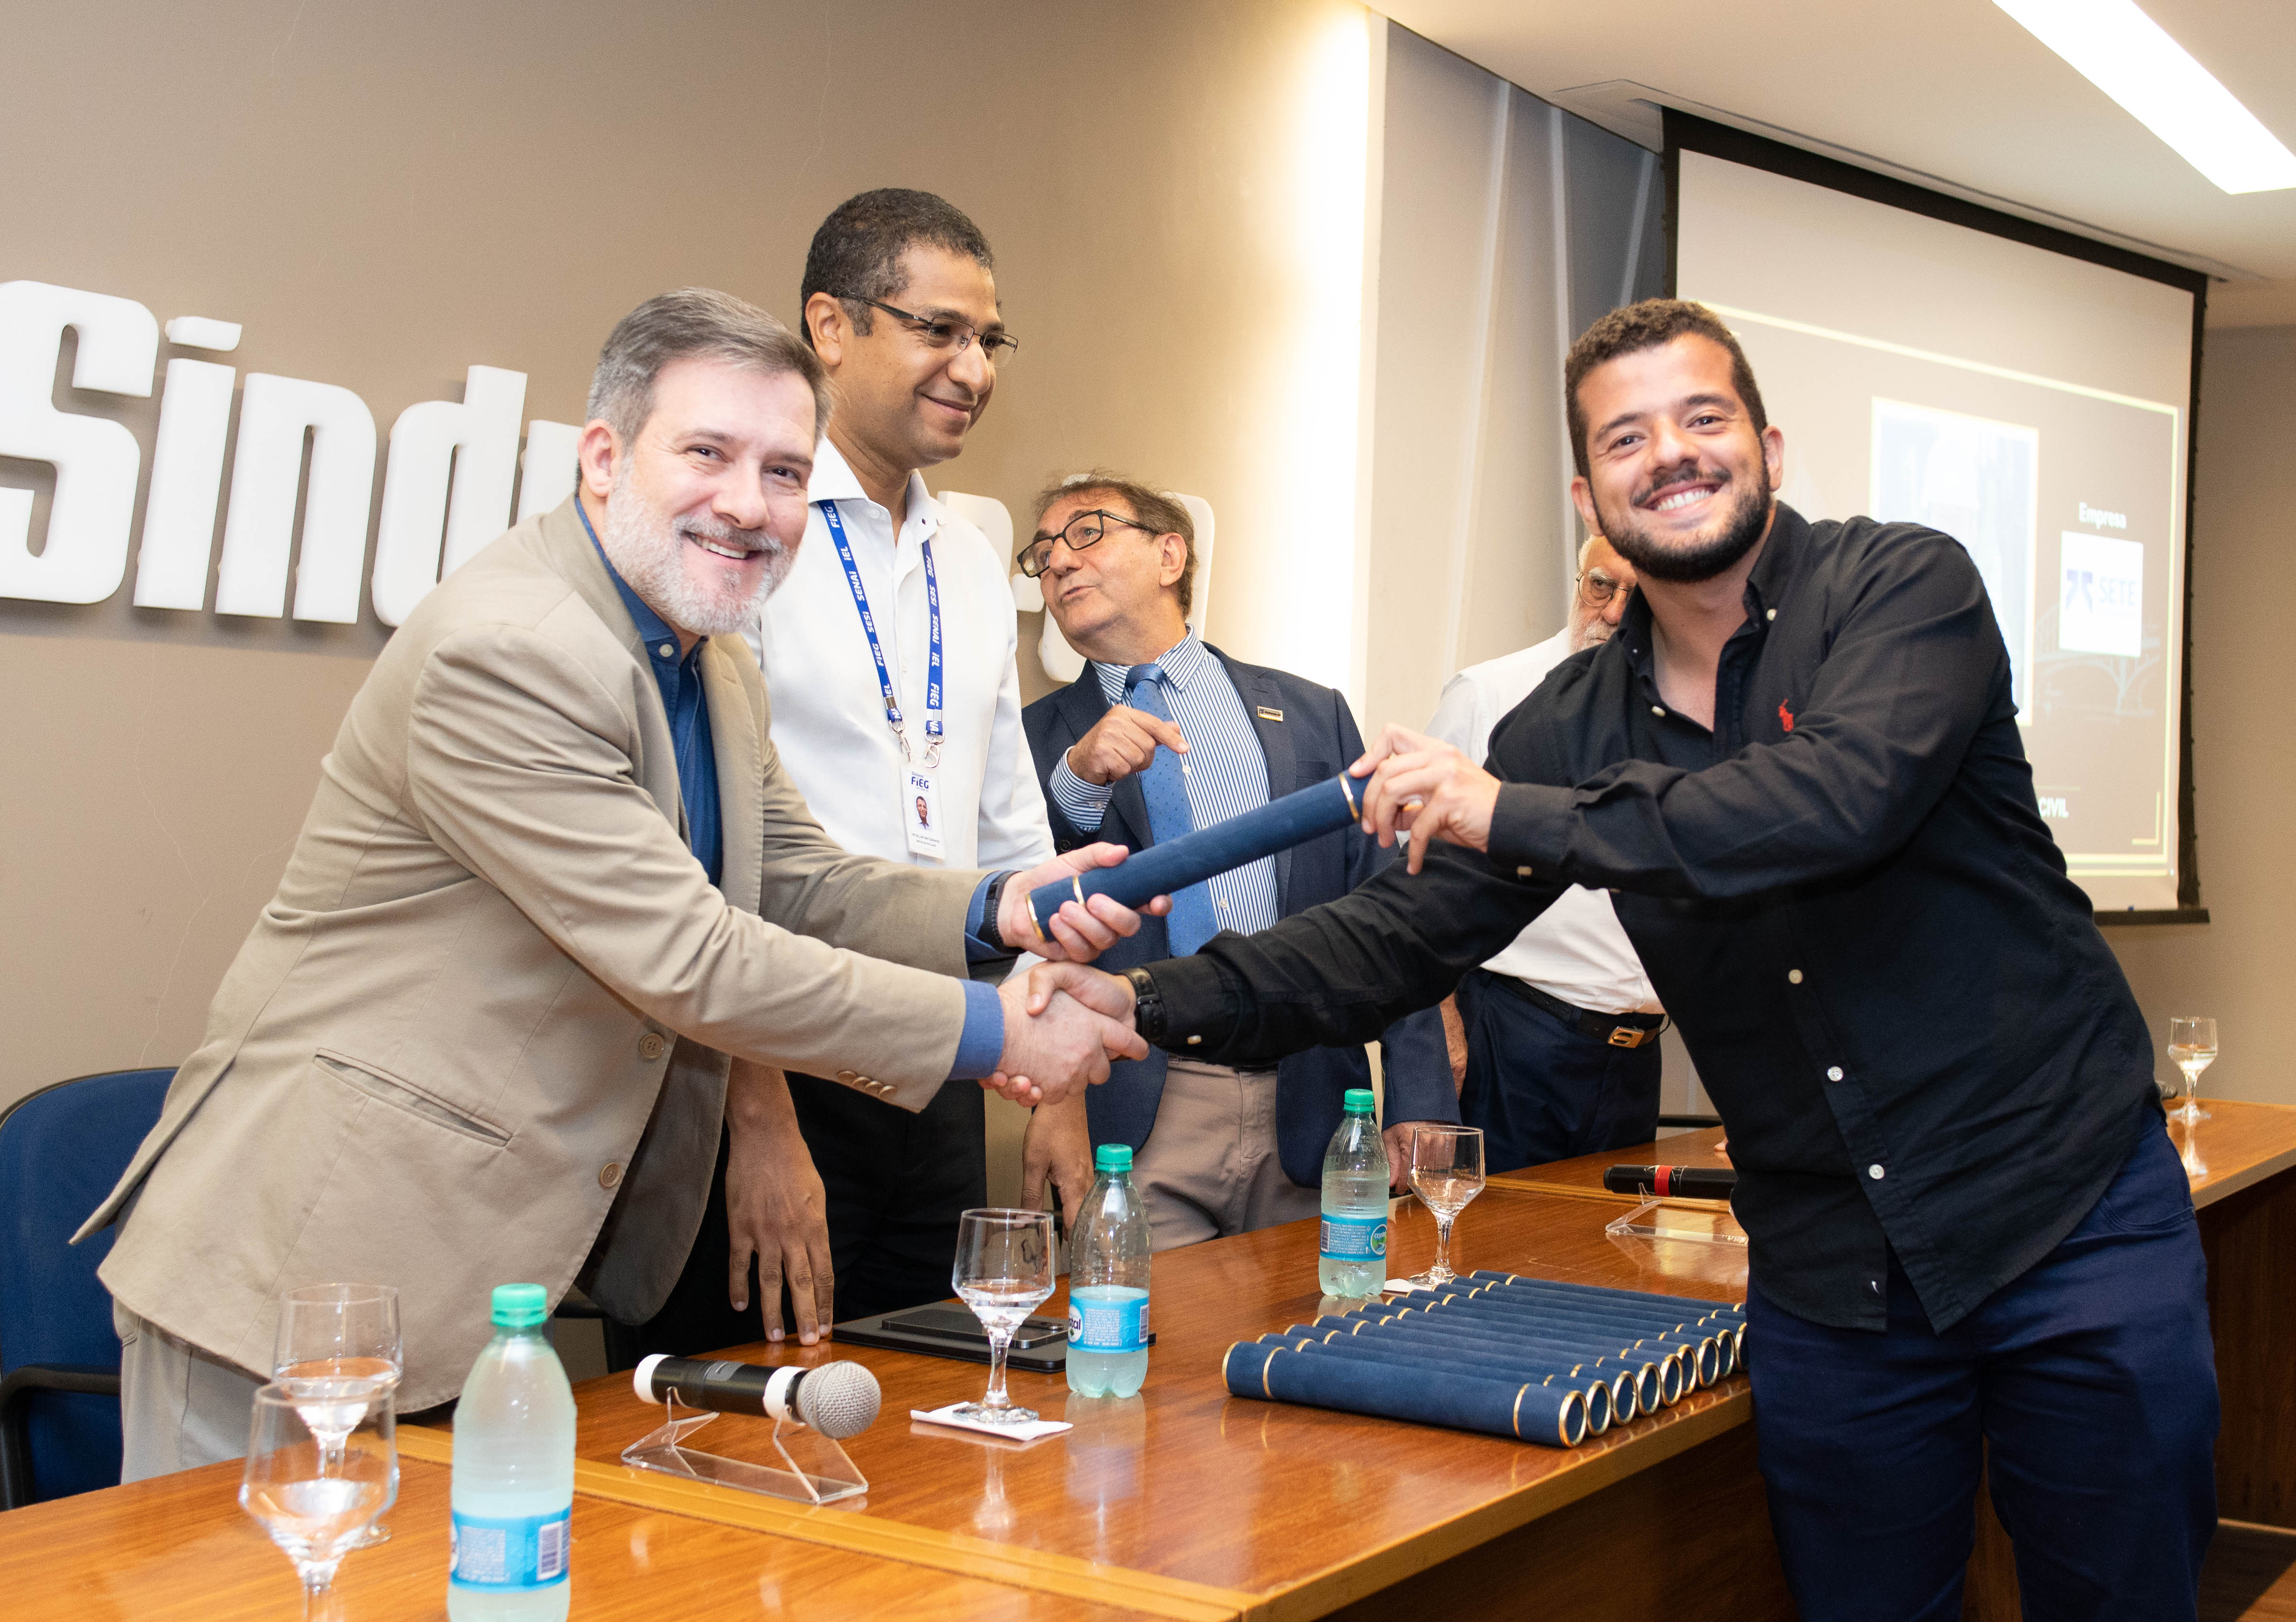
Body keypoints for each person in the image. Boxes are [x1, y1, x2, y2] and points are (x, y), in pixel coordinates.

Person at [1061, 301, 2218, 1619]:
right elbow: (1391, 938)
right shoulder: (1571, 721)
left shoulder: (1904, 586)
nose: (1669, 453)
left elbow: (1830, 804)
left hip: (2064, 1213)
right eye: (1626, 438)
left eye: (1701, 418)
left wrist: (1508, 808)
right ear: (1588, 495)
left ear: (1768, 446)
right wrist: (1139, 999)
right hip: (1832, 1268)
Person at [79, 289, 1155, 1480]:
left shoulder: (711, 659)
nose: (747, 504)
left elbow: (796, 879)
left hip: (475, 1287)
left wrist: (999, 905)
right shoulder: (513, 647)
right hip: (304, 1278)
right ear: (602, 458)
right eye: (707, 453)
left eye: (784, 472)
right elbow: (695, 958)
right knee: (290, 1568)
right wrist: (999, 1029)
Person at [638, 191, 1055, 1359]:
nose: (973, 368)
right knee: (749, 1419)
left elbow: (1010, 831)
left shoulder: (970, 560)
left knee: (931, 1408)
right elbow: (703, 860)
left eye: (990, 339)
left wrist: (1053, 1071)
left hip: (941, 1057)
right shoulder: (742, 531)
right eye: (940, 330)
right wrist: (758, 1116)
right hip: (772, 1064)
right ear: (832, 326)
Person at [1013, 471, 1454, 1247]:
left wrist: (1421, 1093)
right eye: (1042, 553)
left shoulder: (1311, 713)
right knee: (1145, 1326)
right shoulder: (1033, 739)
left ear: (1170, 556)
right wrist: (1078, 782)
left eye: (1086, 532)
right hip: (1139, 1113)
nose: (1059, 562)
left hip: (1313, 1101)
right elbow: (1023, 908)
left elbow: (1388, 908)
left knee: (1325, 1318)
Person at [1422, 531, 1665, 1173]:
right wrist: (1438, 1034)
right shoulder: (1490, 692)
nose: (1615, 612)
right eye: (1601, 587)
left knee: (1618, 1235)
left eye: (1638, 594)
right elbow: (1415, 873)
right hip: (1516, 1036)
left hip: (1637, 1054)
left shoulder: (1678, 706)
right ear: (1579, 583)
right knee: (1495, 1233)